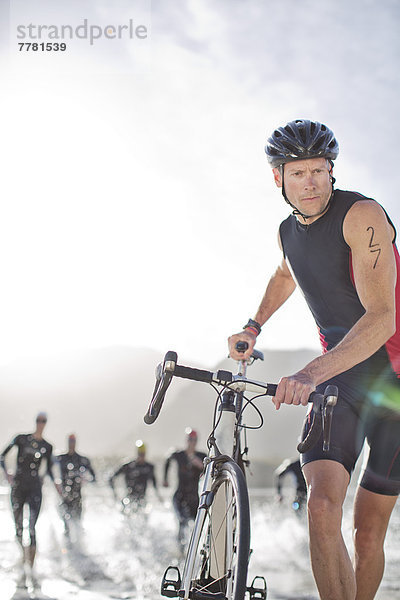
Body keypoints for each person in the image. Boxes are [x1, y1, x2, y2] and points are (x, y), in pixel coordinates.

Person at [228, 119, 400, 600]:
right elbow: (287, 274)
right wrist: (253, 326)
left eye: (318, 172)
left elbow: (383, 317)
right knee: (321, 508)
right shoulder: (287, 232)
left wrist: (308, 372)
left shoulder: (361, 215)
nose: (309, 183)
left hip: (394, 384)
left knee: (368, 533)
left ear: (332, 171)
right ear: (278, 177)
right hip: (340, 379)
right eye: (297, 172)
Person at [0, 412, 61, 584]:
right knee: (18, 526)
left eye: (44, 421)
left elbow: (48, 468)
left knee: (32, 526)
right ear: (35, 422)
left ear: (46, 423)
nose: (41, 423)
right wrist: (7, 474)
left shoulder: (47, 446)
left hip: (35, 488)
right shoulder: (21, 439)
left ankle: (31, 570)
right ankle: (23, 555)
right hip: (18, 486)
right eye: (39, 420)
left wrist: (55, 483)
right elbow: (2, 456)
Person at [163, 428, 206, 547]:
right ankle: (181, 551)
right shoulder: (179, 455)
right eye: (190, 439)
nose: (192, 442)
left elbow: (210, 472)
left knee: (198, 525)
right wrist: (165, 479)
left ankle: (195, 550)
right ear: (186, 440)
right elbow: (168, 459)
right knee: (182, 522)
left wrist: (201, 466)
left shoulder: (202, 456)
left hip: (194, 497)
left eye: (194, 440)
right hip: (179, 496)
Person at [56, 433, 96, 540]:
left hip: (77, 496)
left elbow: (94, 478)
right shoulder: (60, 458)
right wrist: (55, 484)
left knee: (78, 522)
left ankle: (79, 549)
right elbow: (48, 470)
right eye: (70, 441)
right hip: (64, 497)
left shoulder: (82, 459)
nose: (71, 444)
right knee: (66, 526)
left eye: (73, 441)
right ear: (67, 442)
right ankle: (67, 549)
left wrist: (86, 479)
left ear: (76, 443)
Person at [109, 440, 158, 513]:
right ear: (137, 453)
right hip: (129, 498)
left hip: (142, 499)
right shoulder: (129, 466)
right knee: (127, 512)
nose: (142, 456)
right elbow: (112, 478)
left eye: (143, 454)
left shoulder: (149, 467)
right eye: (140, 454)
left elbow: (154, 482)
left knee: (142, 515)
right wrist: (114, 494)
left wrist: (158, 495)